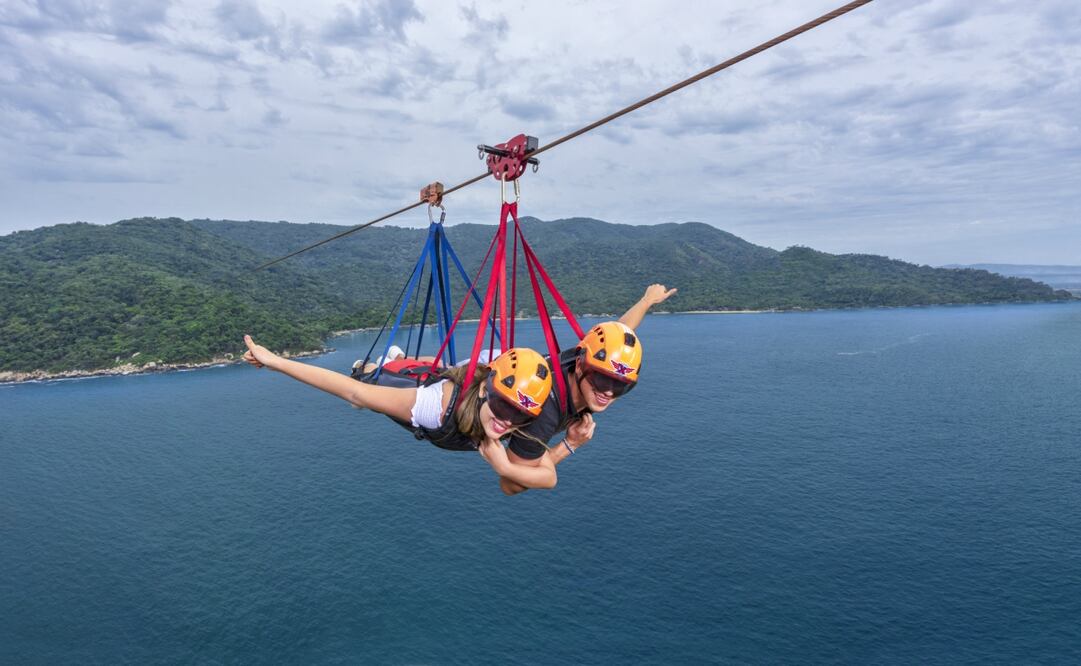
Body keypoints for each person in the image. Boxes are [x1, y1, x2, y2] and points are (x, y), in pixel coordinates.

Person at [242, 335, 560, 490]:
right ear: (483, 391)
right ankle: (377, 363)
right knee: (367, 384)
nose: (508, 420)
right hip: (421, 386)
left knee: (442, 367)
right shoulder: (433, 409)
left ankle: (401, 359)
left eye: (520, 415)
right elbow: (354, 393)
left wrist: (569, 443)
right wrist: (276, 363)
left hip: (462, 371)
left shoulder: (524, 403)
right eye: (503, 405)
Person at [498, 283, 676, 495]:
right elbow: (510, 484)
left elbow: (616, 336)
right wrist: (570, 443)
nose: (609, 392)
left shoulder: (582, 358)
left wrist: (646, 301)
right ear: (582, 366)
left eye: (620, 385)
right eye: (602, 381)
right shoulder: (545, 410)